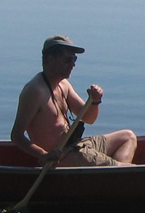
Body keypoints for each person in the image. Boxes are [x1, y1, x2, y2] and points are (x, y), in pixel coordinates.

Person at [11, 35, 138, 166]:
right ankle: (116, 172)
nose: (73, 64)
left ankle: (112, 176)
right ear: (50, 59)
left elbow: (89, 118)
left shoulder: (64, 85)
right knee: (127, 168)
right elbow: (16, 136)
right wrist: (44, 154)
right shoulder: (35, 91)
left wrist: (95, 101)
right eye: (68, 60)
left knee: (128, 137)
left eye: (74, 59)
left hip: (77, 145)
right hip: (62, 156)